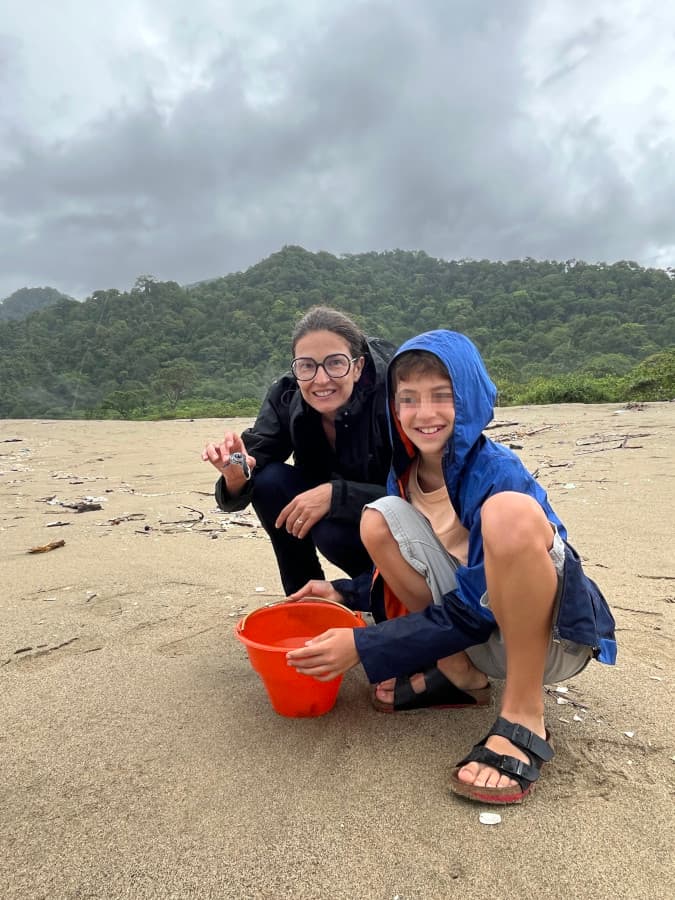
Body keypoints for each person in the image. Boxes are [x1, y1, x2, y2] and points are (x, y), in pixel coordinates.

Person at [286, 330, 616, 805]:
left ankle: (523, 712)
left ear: (472, 398)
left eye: (443, 396)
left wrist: (364, 643)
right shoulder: (404, 472)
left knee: (509, 514)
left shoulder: (495, 471)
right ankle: (459, 672)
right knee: (378, 519)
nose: (425, 414)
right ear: (392, 407)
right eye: (409, 399)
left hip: (550, 639)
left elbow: (476, 609)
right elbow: (435, 564)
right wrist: (345, 593)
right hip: (480, 636)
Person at [202, 307, 395, 594]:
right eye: (307, 365)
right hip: (344, 514)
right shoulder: (287, 396)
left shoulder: (395, 394)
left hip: (399, 533)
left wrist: (336, 494)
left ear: (357, 366)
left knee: (331, 533)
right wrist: (235, 476)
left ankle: (380, 589)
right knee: (269, 482)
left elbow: (423, 497)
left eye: (335, 363)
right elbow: (247, 473)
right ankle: (304, 595)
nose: (320, 379)